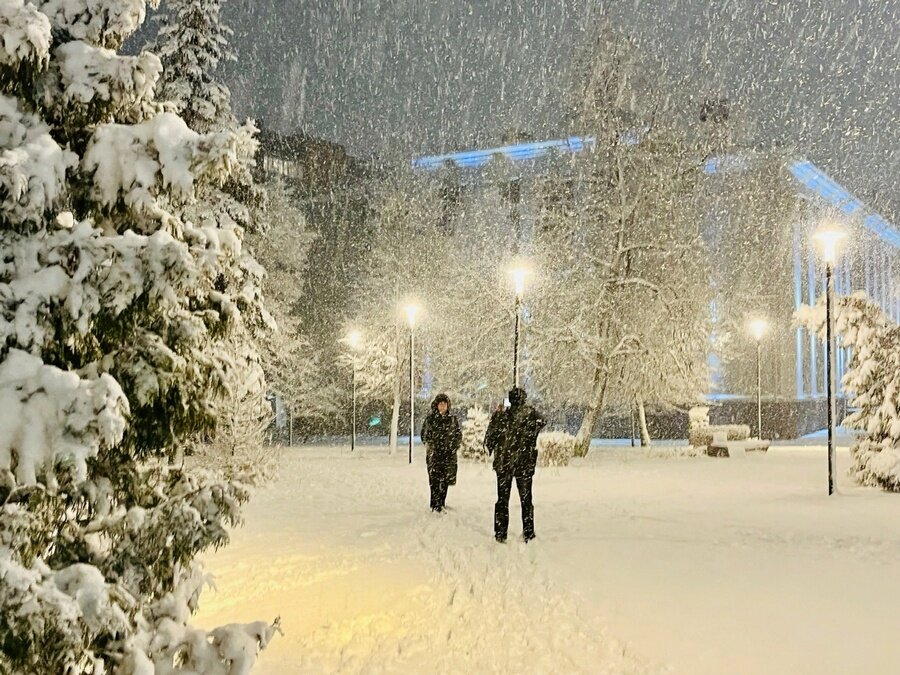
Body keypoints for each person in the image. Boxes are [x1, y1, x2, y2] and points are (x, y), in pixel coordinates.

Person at [485, 387, 545, 542]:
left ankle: (500, 533)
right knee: (525, 500)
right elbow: (542, 421)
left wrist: (497, 417)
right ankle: (528, 533)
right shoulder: (530, 415)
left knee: (503, 499)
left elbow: (489, 439)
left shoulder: (503, 416)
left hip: (505, 464)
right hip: (523, 463)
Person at [420, 393, 461, 512]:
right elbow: (425, 435)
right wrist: (432, 445)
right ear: (436, 405)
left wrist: (453, 446)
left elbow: (457, 435)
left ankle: (442, 502)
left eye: (445, 404)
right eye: (441, 404)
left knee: (446, 480)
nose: (443, 406)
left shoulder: (452, 419)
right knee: (434, 480)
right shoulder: (430, 419)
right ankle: (435, 504)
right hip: (435, 455)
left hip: (448, 455)